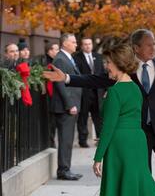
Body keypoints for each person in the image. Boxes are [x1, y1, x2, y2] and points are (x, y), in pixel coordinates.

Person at [43, 29, 155, 196]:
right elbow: (94, 79)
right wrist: (66, 77)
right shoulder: (124, 71)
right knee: (141, 177)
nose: (153, 48)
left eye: (154, 44)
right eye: (148, 44)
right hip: (138, 134)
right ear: (136, 48)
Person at [93, 43, 155, 196]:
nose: (107, 67)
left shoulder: (114, 92)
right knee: (139, 193)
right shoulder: (135, 88)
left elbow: (108, 127)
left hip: (120, 143)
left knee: (116, 194)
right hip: (137, 140)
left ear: (118, 63)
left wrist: (98, 157)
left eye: (108, 63)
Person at [51, 34, 83, 181]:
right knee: (65, 139)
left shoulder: (67, 58)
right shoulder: (60, 59)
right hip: (66, 107)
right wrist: (70, 104)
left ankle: (66, 169)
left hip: (71, 105)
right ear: (65, 43)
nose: (76, 44)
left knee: (69, 139)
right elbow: (59, 83)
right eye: (73, 42)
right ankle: (63, 170)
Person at [73, 37, 106, 148]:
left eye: (89, 44)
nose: (88, 46)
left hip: (98, 93)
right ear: (81, 46)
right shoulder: (76, 58)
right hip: (84, 93)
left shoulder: (98, 57)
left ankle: (100, 139)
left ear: (92, 45)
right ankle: (83, 140)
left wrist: (105, 90)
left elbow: (103, 73)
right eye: (85, 44)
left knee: (98, 117)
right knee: (83, 117)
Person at [33, 41, 60, 148]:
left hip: (55, 95)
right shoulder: (41, 61)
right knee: (47, 120)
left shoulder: (58, 61)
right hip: (45, 96)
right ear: (50, 51)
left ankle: (51, 140)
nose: (58, 51)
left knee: (53, 121)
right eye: (56, 49)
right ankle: (47, 142)